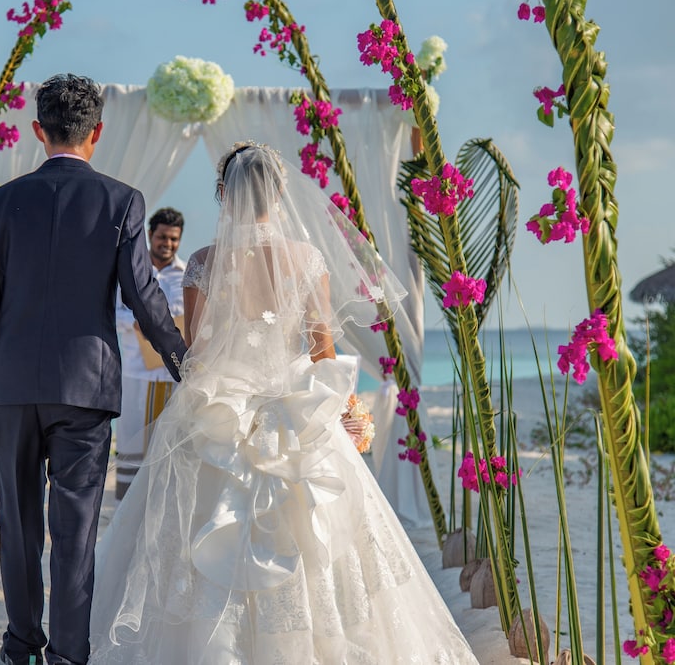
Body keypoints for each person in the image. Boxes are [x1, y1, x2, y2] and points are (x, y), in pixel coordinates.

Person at [88, 142, 479, 663]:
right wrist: (345, 408)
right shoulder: (307, 258)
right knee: (316, 535)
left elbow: (197, 353)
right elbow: (322, 350)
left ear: (223, 194)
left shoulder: (203, 262)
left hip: (222, 412)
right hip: (295, 410)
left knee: (193, 532)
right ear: (281, 191)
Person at [0, 73, 187, 665]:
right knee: (76, 529)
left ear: (38, 131)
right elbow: (144, 298)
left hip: (8, 389)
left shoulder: (0, 202)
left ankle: (19, 647)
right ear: (98, 133)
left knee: (18, 525)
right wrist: (185, 360)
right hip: (86, 390)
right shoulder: (123, 201)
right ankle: (66, 656)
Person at [114, 207, 186, 500]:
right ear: (150, 235)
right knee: (133, 440)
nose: (167, 244)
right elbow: (112, 311)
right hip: (136, 371)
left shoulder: (184, 275)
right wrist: (134, 323)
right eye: (162, 238)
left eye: (173, 239)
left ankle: (163, 503)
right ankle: (127, 504)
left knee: (168, 444)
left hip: (172, 373)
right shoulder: (131, 270)